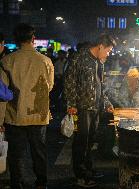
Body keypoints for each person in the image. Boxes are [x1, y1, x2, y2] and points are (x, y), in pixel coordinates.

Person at [0, 23, 54, 189]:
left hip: (15, 115)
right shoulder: (46, 61)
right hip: (39, 114)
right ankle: (41, 183)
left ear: (16, 40)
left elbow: (2, 94)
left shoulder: (7, 61)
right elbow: (49, 86)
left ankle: (17, 183)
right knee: (39, 152)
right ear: (33, 39)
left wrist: (0, 120)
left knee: (16, 154)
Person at [64, 34, 116, 188]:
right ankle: (80, 175)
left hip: (96, 107)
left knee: (91, 140)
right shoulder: (79, 58)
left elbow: (101, 85)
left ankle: (88, 169)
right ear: (100, 46)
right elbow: (69, 81)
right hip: (82, 106)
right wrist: (71, 103)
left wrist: (106, 102)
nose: (108, 54)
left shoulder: (100, 62)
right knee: (81, 142)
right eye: (108, 50)